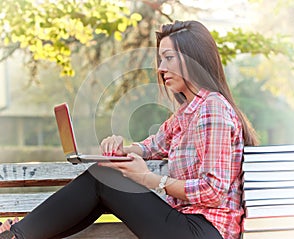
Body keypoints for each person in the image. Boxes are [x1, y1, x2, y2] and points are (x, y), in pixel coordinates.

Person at [0, 20, 257, 239]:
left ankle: (17, 235)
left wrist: (149, 179)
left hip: (205, 231)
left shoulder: (213, 109)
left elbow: (212, 192)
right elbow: (152, 146)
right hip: (187, 225)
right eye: (160, 59)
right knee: (104, 175)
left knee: (106, 179)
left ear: (193, 59)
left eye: (169, 58)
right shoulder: (188, 113)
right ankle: (20, 235)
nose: (161, 68)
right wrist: (120, 148)